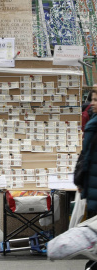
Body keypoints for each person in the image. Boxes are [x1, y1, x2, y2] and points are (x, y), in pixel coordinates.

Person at [76, 89, 97, 269]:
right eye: (93, 100)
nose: (93, 104)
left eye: (96, 100)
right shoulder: (93, 123)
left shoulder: (93, 124)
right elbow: (86, 156)